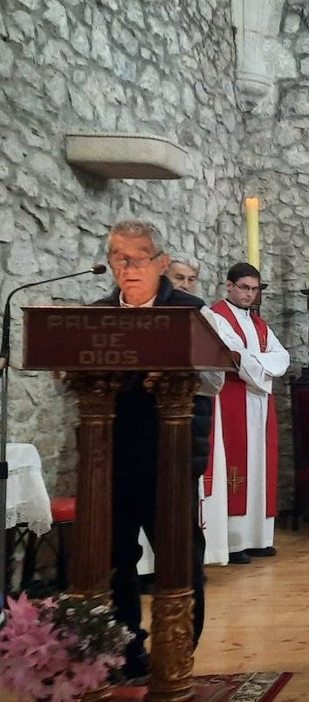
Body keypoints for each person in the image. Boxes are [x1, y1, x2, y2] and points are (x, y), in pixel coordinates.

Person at [93, 219, 222, 678]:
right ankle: (123, 653)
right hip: (107, 456)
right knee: (113, 561)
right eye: (118, 258)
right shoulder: (96, 314)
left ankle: (177, 654)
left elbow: (215, 378)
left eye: (138, 257)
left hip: (171, 454)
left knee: (178, 557)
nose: (128, 267)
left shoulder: (191, 310)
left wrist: (173, 373)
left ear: (161, 263)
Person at [209, 262, 291, 564]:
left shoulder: (259, 324)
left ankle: (259, 537)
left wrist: (258, 364)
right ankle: (233, 542)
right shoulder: (216, 318)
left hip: (259, 403)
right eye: (244, 287)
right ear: (229, 285)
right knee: (237, 468)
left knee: (260, 465)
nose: (250, 294)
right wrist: (260, 365)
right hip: (233, 399)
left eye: (255, 289)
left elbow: (282, 357)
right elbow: (233, 356)